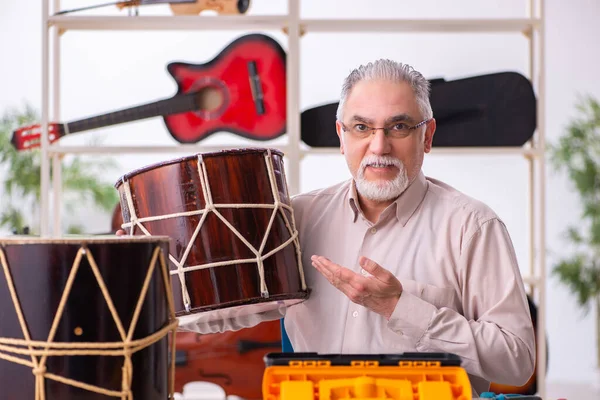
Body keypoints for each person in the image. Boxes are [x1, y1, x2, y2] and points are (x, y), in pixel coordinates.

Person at [118, 59, 536, 396]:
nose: (378, 146)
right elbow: (224, 313)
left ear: (426, 136)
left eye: (399, 126)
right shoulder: (295, 219)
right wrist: (149, 286)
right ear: (341, 136)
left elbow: (516, 363)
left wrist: (401, 308)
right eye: (361, 128)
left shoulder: (473, 227)